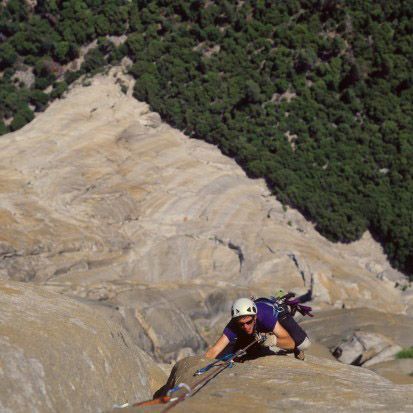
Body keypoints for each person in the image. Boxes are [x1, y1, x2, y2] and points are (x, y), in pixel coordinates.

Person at [205, 297, 311, 361]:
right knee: (225, 356)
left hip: (275, 313)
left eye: (248, 322)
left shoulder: (265, 316)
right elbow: (215, 350)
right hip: (259, 327)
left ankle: (281, 347)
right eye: (241, 324)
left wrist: (273, 340)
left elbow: (290, 342)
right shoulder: (233, 324)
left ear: (255, 317)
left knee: (304, 344)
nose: (245, 326)